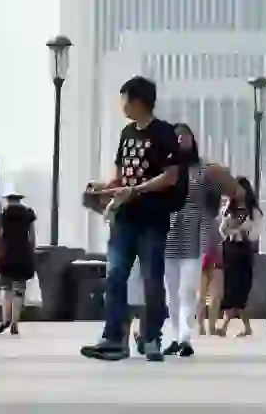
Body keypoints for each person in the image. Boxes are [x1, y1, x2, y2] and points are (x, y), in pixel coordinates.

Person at [81, 76, 183, 362]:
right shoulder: (127, 134)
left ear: (137, 100)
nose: (121, 104)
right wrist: (102, 187)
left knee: (152, 278)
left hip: (152, 218)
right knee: (114, 275)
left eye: (123, 98)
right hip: (124, 218)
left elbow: (171, 176)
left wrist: (136, 189)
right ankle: (114, 338)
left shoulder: (164, 133)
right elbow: (119, 175)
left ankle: (151, 336)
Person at [163, 124, 240, 356]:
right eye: (177, 138)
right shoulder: (165, 169)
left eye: (185, 138)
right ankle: (175, 335)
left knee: (188, 288)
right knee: (171, 291)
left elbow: (225, 193)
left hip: (194, 234)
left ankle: (185, 337)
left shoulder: (203, 170)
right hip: (168, 234)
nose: (181, 142)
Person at [217, 177, 259, 337]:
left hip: (244, 251)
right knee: (231, 289)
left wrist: (241, 231)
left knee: (240, 289)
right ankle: (230, 326)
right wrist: (233, 230)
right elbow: (222, 230)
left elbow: (254, 234)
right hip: (230, 250)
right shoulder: (228, 208)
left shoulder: (253, 212)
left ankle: (226, 325)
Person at [0, 192, 35, 336]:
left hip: (7, 255)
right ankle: (15, 323)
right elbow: (32, 238)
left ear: (8, 201)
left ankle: (5, 318)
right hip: (23, 254)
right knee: (19, 290)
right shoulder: (28, 214)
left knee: (7, 290)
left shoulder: (4, 215)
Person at [198, 194, 226, 336]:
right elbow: (220, 240)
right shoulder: (216, 221)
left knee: (201, 296)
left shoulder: (197, 219)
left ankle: (201, 327)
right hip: (214, 260)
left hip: (200, 259)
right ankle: (211, 327)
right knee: (215, 296)